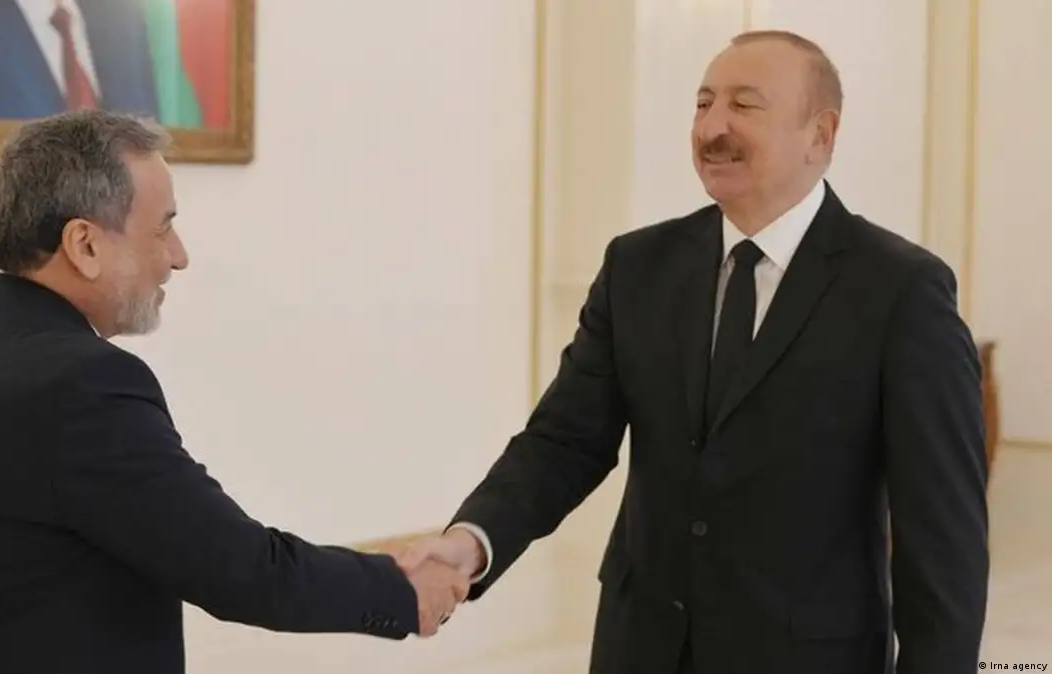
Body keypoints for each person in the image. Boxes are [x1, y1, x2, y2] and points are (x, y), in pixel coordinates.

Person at [398, 29, 989, 674]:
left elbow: (944, 539)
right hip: (640, 648)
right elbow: (564, 440)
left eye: (744, 104)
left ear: (820, 135)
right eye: (704, 103)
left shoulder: (900, 290)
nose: (712, 127)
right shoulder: (637, 266)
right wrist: (470, 543)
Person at [0, 110, 468, 674]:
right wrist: (401, 591)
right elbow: (240, 571)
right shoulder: (79, 384)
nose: (178, 256)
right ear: (84, 245)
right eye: (162, 228)